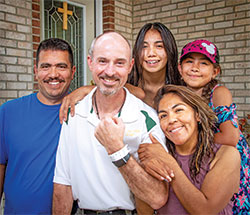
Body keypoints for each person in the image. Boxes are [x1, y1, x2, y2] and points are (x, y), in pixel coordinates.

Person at [52, 32, 168, 215]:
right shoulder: (74, 113)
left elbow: (157, 197)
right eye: (103, 61)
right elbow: (63, 184)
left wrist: (118, 151)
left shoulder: (148, 118)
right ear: (90, 62)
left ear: (130, 66)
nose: (110, 71)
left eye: (119, 63)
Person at [138, 84, 241, 214]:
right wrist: (143, 170)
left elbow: (205, 210)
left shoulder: (226, 155)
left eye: (179, 110)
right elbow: (145, 210)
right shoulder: (156, 155)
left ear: (197, 115)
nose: (171, 120)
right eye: (163, 116)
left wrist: (168, 161)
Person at [0, 38, 76, 214]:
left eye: (61, 66)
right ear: (36, 71)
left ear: (73, 72)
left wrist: (86, 90)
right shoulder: (8, 112)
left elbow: (131, 92)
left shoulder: (83, 112)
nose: (53, 74)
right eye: (45, 66)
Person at [178, 39, 250, 214]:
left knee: (228, 207)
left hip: (230, 164)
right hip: (206, 161)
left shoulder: (219, 93)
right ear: (180, 69)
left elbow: (230, 137)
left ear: (215, 71)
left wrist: (188, 140)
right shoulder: (180, 95)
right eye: (189, 62)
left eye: (204, 63)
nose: (195, 68)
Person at [58, 22, 181, 122]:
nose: (151, 53)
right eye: (144, 46)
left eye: (159, 46)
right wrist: (85, 90)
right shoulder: (127, 86)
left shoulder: (181, 89)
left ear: (170, 50)